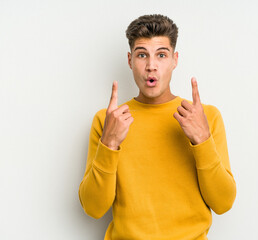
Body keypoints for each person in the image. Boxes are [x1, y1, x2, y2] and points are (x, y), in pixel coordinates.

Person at [78, 14, 236, 240]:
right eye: (142, 55)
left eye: (161, 55)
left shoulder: (205, 117)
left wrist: (202, 140)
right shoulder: (108, 121)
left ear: (175, 60)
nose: (151, 66)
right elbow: (93, 208)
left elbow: (223, 203)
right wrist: (109, 144)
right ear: (130, 60)